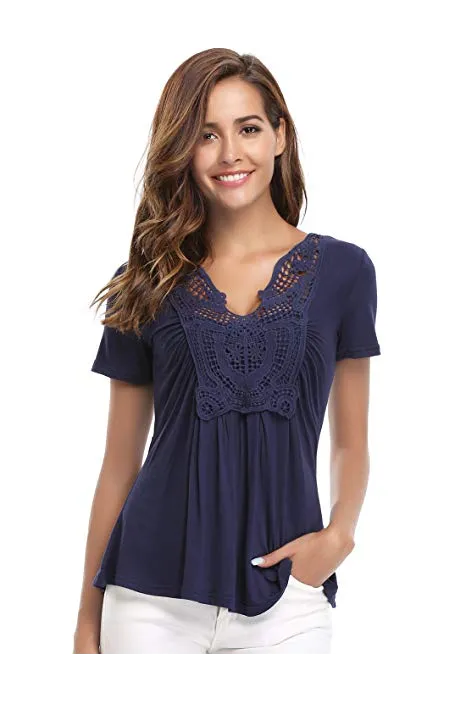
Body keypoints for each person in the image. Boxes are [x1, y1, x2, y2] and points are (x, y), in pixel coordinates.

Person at [73, 48, 381, 656]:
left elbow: (351, 442)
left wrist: (339, 536)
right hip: (148, 601)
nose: (229, 153)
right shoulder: (146, 282)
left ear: (280, 137)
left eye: (248, 129)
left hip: (288, 601)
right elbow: (118, 465)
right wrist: (87, 624)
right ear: (182, 150)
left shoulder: (344, 272)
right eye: (206, 135)